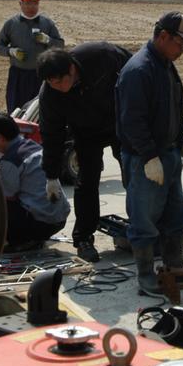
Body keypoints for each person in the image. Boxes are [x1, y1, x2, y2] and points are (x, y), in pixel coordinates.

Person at [116, 11, 183, 294]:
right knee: (144, 220)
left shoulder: (165, 65)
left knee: (177, 214)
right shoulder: (139, 70)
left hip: (168, 154)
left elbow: (175, 108)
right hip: (145, 159)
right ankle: (146, 276)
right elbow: (132, 121)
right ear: (163, 36)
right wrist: (149, 156)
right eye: (180, 44)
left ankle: (175, 269)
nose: (182, 52)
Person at [37, 42, 132, 263]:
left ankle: (142, 228)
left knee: (133, 176)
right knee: (87, 182)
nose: (58, 86)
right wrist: (51, 175)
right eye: (51, 82)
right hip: (86, 132)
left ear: (72, 69)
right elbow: (52, 135)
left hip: (120, 123)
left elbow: (136, 70)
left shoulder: (100, 56)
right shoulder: (50, 94)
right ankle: (83, 239)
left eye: (60, 80)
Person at [0, 111, 70, 252]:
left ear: (0, 138)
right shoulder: (34, 146)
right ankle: (34, 237)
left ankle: (22, 241)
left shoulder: (11, 159)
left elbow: (8, 196)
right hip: (59, 220)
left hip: (40, 224)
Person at [0, 0, 64, 113]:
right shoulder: (11, 24)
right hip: (18, 75)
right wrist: (11, 51)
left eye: (35, 3)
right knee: (15, 109)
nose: (32, 7)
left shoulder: (47, 23)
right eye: (28, 3)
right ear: (20, 3)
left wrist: (48, 40)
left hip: (41, 75)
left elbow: (60, 45)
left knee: (40, 111)